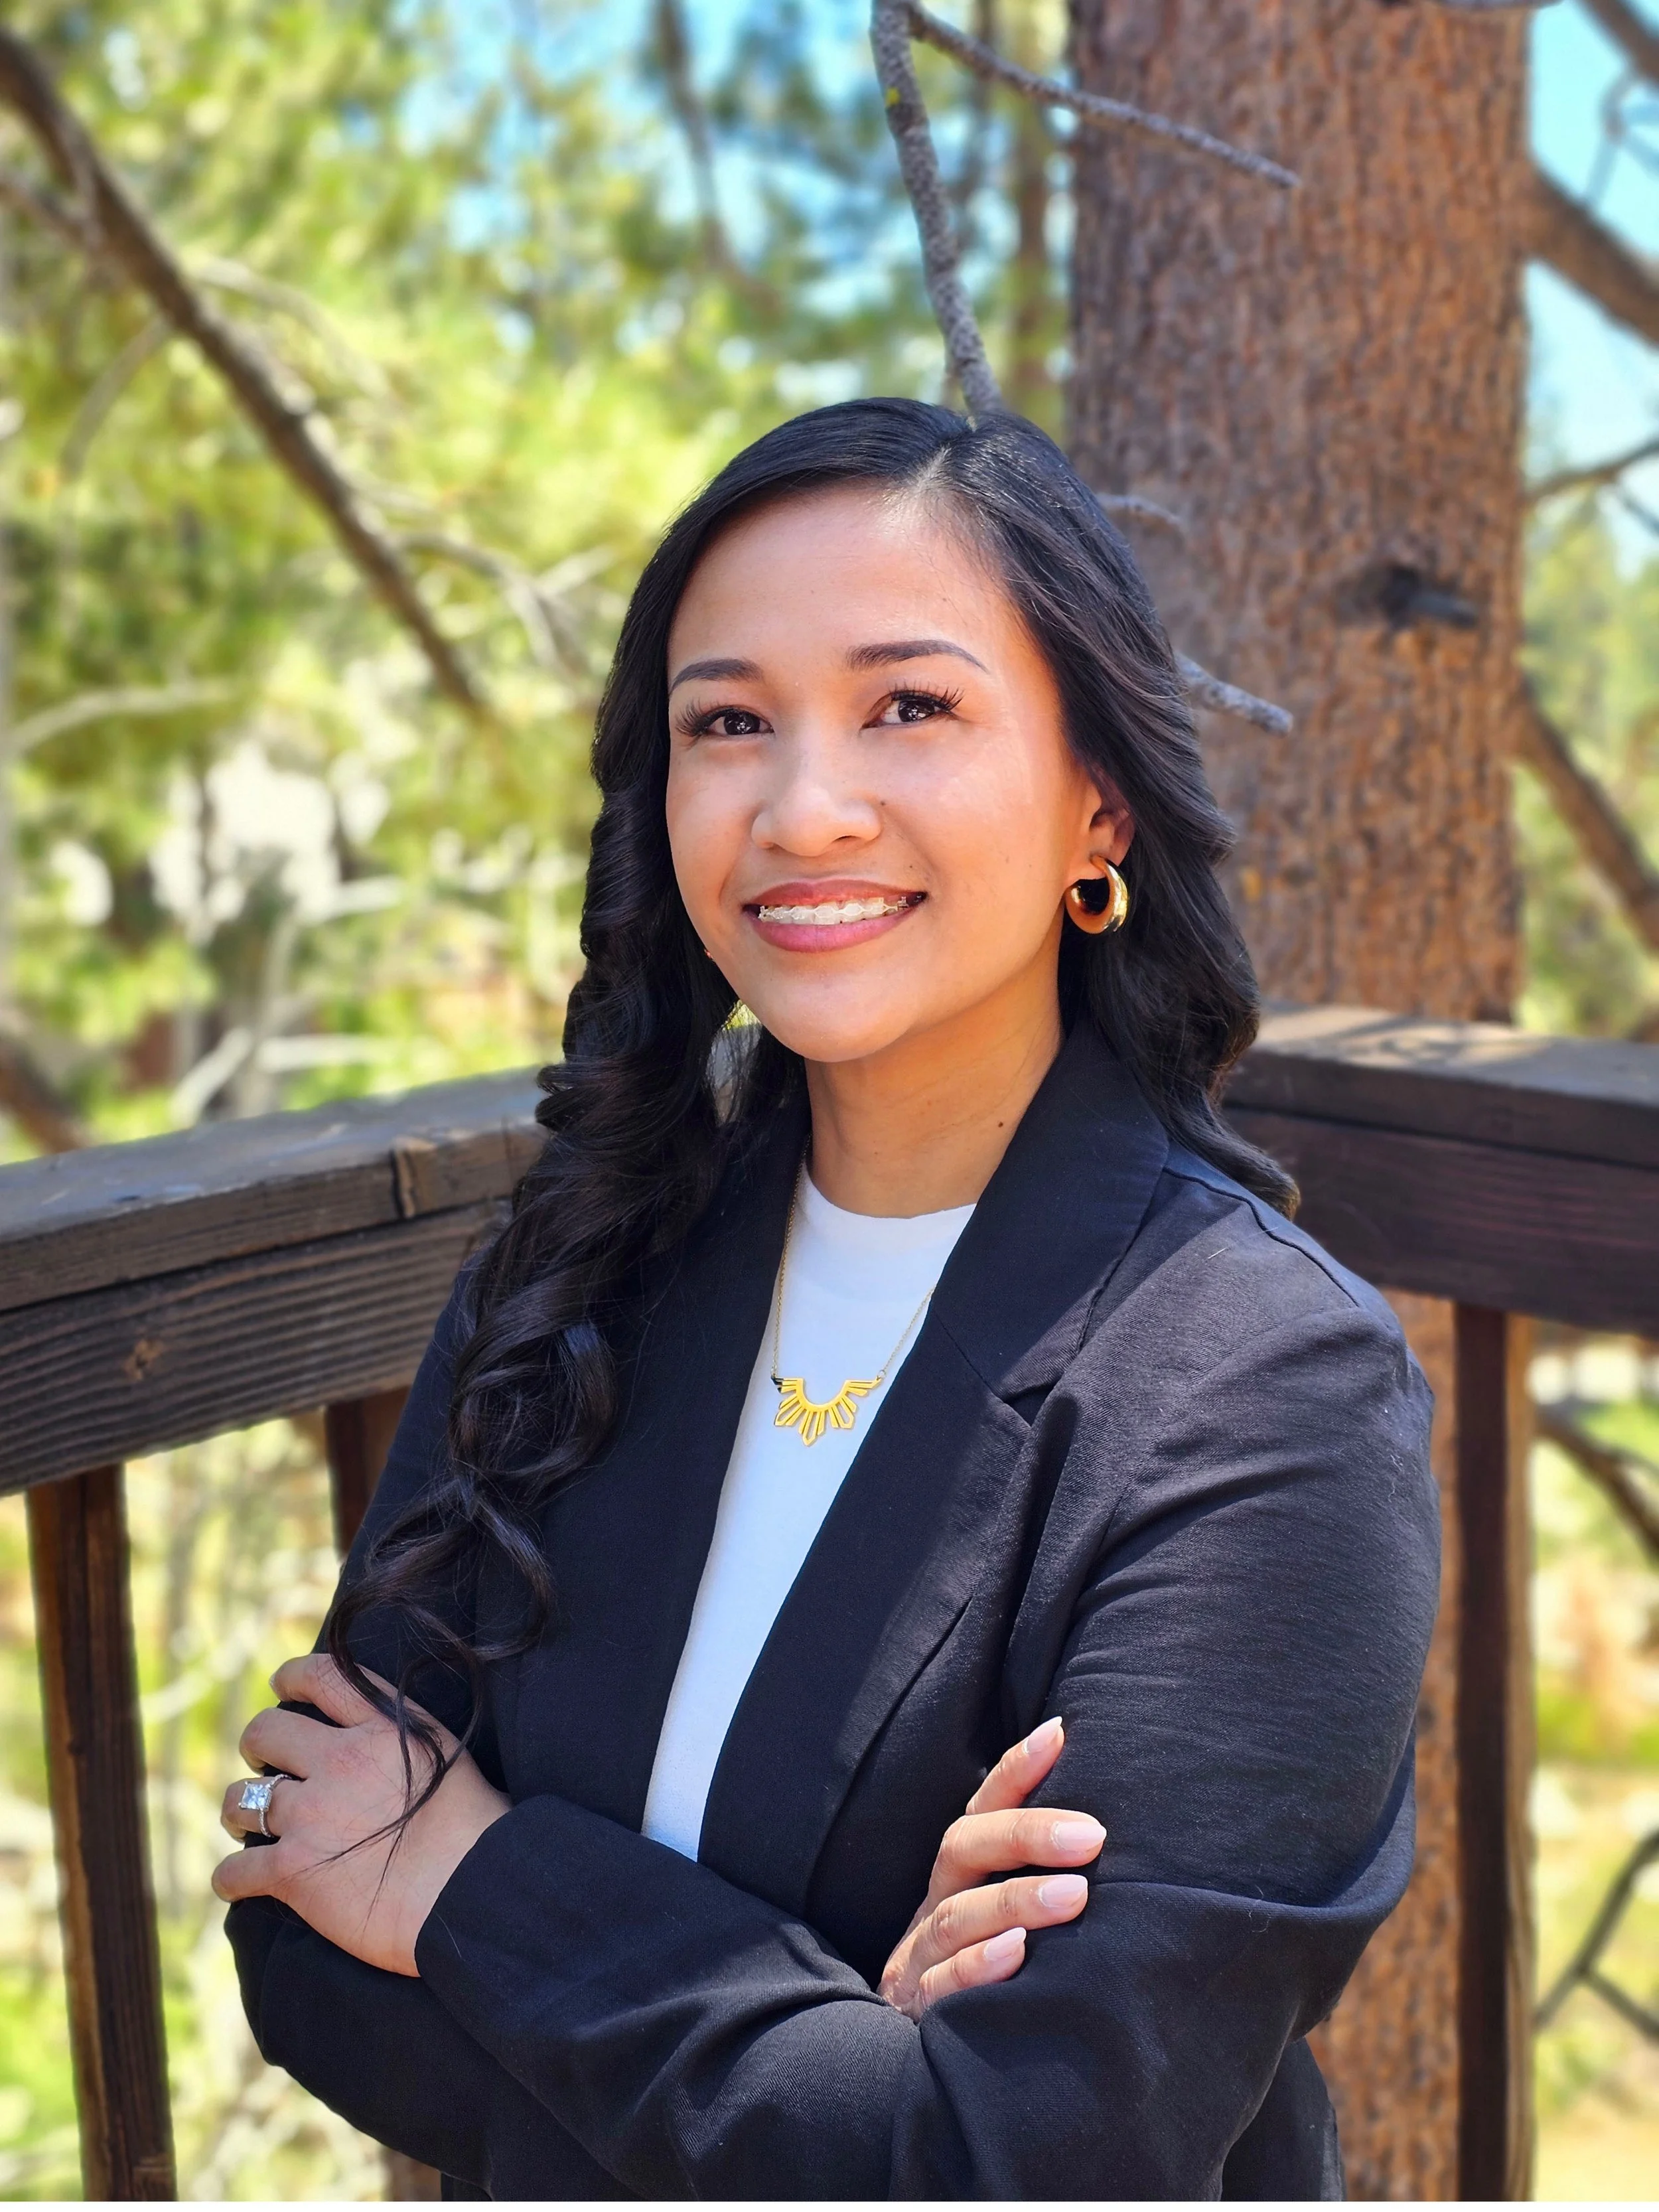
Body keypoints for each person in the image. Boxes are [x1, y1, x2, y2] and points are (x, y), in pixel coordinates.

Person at [216, 398, 1439, 2200]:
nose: (803, 807)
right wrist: (844, 2054)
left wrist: (467, 1889)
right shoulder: (584, 1268)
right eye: (730, 721)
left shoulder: (1262, 1389)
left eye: (908, 706)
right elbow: (310, 1953)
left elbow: (1031, 2159)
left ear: (1096, 795)